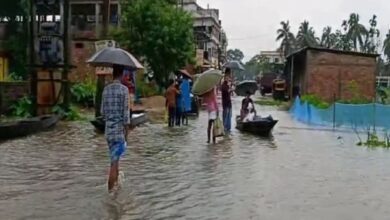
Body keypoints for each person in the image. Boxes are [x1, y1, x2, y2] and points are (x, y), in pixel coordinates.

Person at [101, 64, 130, 193]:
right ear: (122, 74)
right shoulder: (124, 90)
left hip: (108, 132)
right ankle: (111, 192)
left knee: (115, 160)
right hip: (118, 132)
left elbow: (102, 112)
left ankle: (116, 189)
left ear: (113, 73)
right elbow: (125, 114)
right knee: (114, 163)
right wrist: (127, 132)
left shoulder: (106, 90)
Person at [221, 68, 233, 133]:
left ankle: (228, 132)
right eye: (227, 77)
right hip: (225, 104)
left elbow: (229, 93)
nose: (228, 78)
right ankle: (225, 130)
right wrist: (231, 89)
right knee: (225, 119)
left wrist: (231, 89)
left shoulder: (228, 85)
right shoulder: (224, 85)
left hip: (229, 103)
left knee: (229, 118)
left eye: (228, 77)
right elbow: (226, 91)